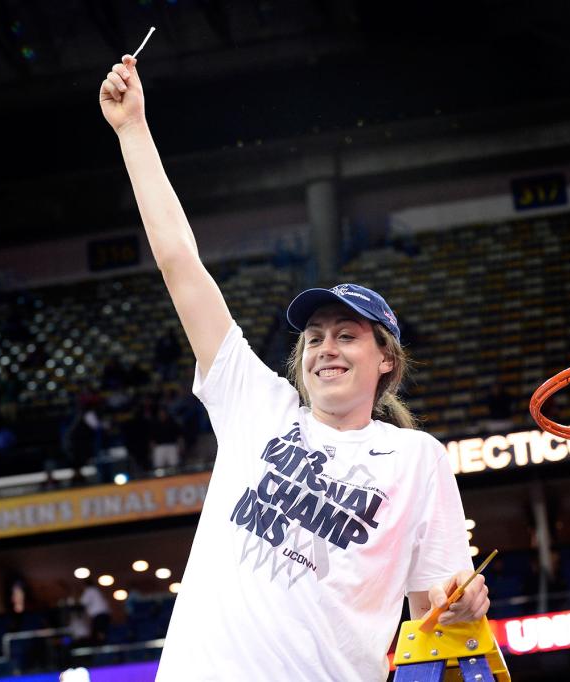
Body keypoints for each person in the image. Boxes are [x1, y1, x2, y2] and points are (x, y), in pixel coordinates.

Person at [99, 53, 488, 681]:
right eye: (313, 337)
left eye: (346, 335)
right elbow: (179, 262)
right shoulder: (255, 403)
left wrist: (464, 605)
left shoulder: (420, 461)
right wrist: (133, 130)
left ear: (386, 360)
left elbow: (438, 628)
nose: (325, 347)